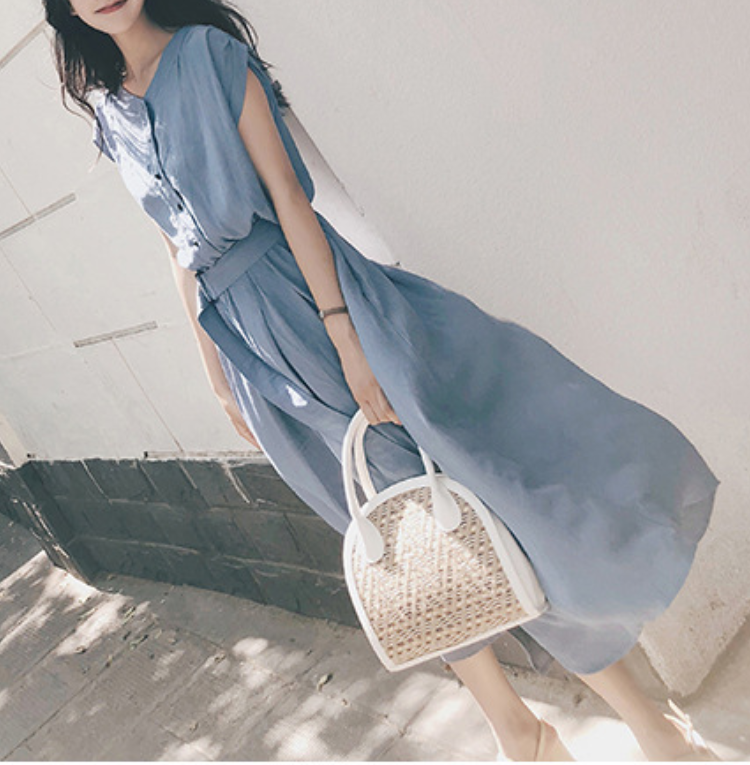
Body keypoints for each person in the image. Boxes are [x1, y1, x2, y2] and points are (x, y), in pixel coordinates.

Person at [46, 0, 722, 760]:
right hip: (251, 356)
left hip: (312, 306)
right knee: (399, 536)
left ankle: (646, 724)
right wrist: (218, 380)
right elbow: (176, 251)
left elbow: (289, 199)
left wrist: (345, 336)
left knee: (482, 510)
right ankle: (518, 730)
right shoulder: (111, 113)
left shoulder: (209, 55)